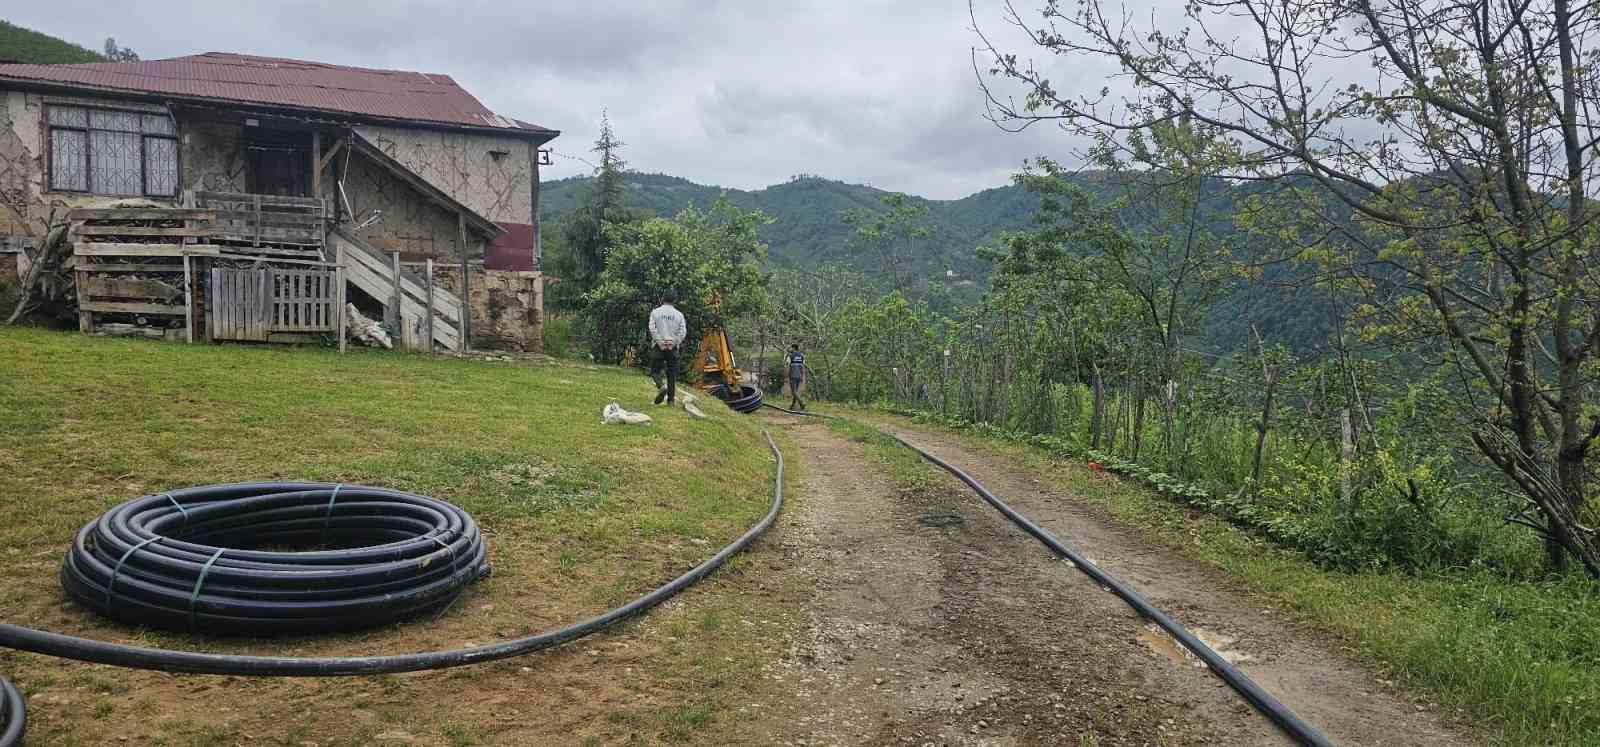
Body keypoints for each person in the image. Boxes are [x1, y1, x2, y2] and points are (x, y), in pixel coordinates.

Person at [647, 290, 687, 405]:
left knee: (655, 371)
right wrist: (674, 343)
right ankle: (670, 401)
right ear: (675, 300)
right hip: (672, 348)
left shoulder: (655, 312)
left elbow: (652, 328)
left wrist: (660, 342)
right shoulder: (679, 314)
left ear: (662, 298)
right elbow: (683, 331)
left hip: (658, 347)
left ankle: (661, 386)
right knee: (671, 374)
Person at [785, 343, 808, 410]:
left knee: (793, 392)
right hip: (799, 376)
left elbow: (787, 367)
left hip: (792, 375)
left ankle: (801, 402)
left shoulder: (790, 356)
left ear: (794, 348)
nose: (790, 349)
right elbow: (803, 367)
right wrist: (803, 377)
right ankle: (793, 405)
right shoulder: (802, 356)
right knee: (796, 391)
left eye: (791, 348)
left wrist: (786, 376)